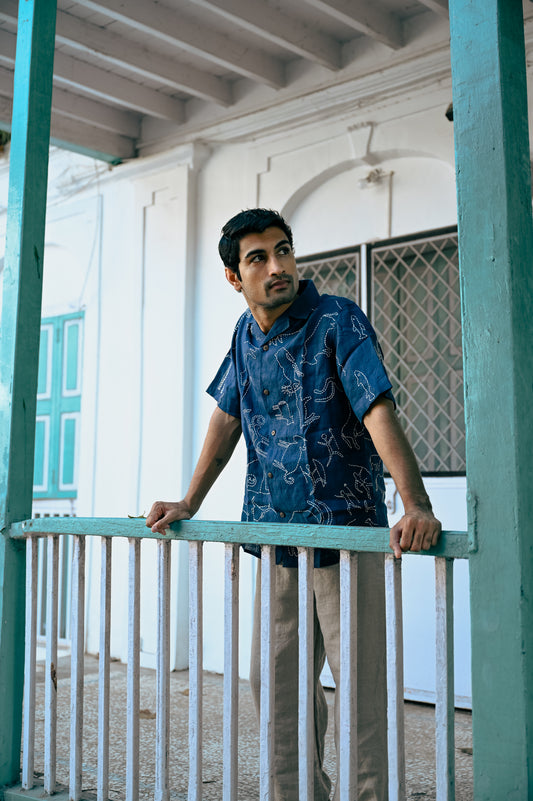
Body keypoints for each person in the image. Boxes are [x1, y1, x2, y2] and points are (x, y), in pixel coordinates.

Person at [146, 208, 441, 801]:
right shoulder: (244, 336)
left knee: (359, 692)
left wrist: (415, 503)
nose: (278, 266)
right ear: (235, 277)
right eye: (259, 258)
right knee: (278, 688)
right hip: (275, 539)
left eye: (284, 250)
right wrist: (189, 500)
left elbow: (376, 407)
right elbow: (225, 420)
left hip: (344, 537)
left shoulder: (337, 318)